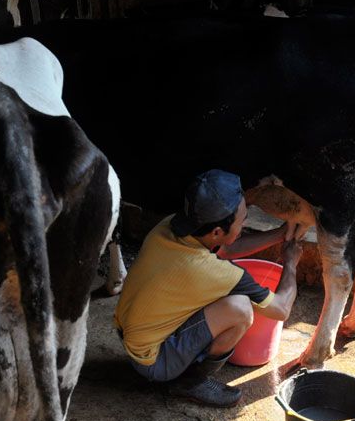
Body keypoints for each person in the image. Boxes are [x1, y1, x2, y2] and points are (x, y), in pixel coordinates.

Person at [114, 169, 304, 407]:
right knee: (240, 308)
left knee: (222, 296)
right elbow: (281, 309)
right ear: (217, 231)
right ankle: (191, 382)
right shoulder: (209, 271)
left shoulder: (171, 227)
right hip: (153, 362)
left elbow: (227, 249)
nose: (245, 224)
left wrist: (280, 235)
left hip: (133, 336)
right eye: (243, 220)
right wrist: (291, 263)